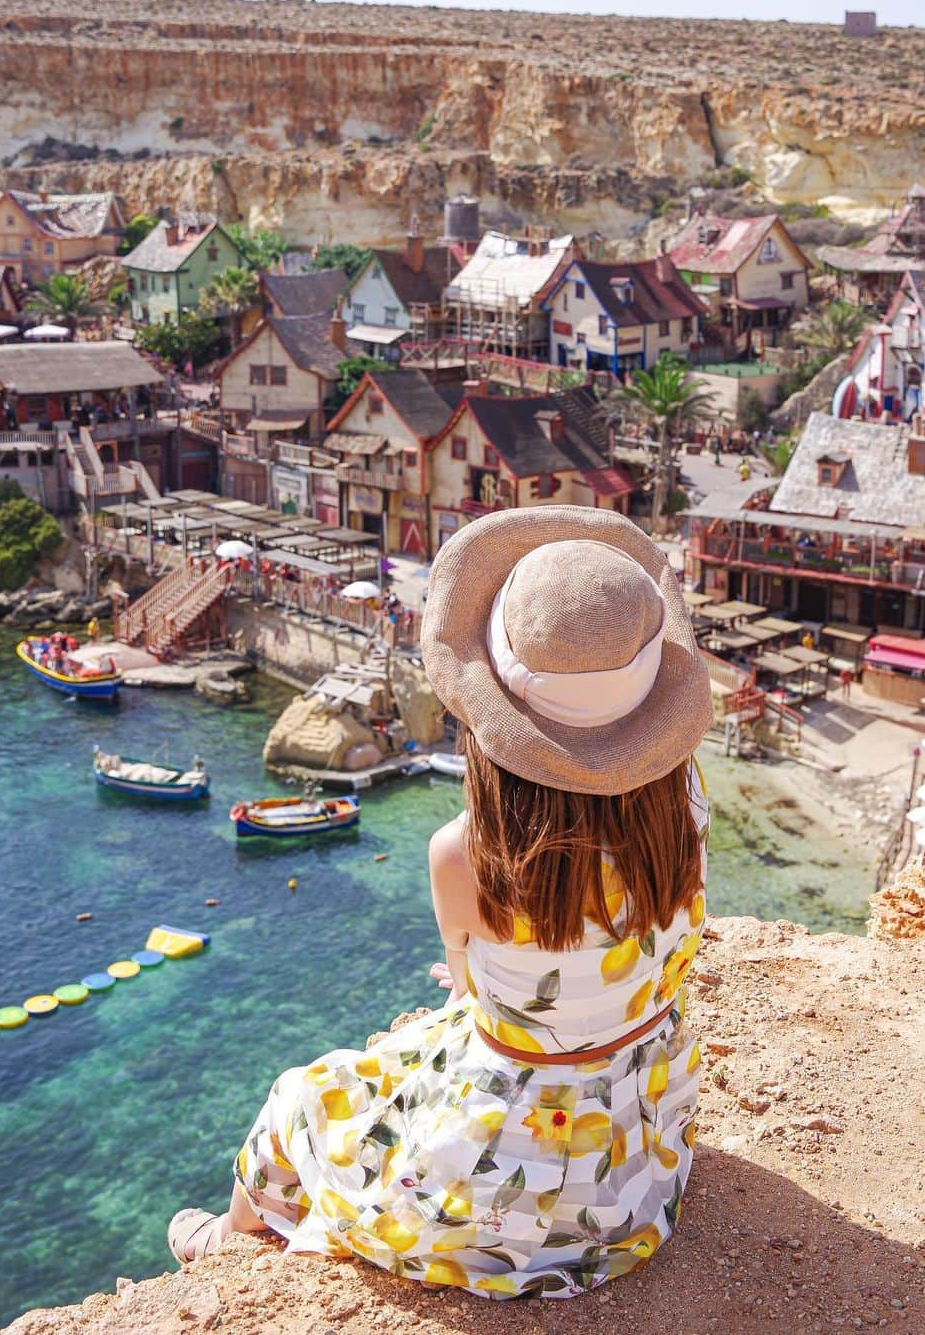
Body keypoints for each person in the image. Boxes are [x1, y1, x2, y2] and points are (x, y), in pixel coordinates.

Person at [167, 507, 714, 1300]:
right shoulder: (687, 809)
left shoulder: (465, 855)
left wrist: (488, 979)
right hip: (632, 1167)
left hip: (507, 1185)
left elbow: (469, 990)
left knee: (303, 1095)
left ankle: (227, 1238)